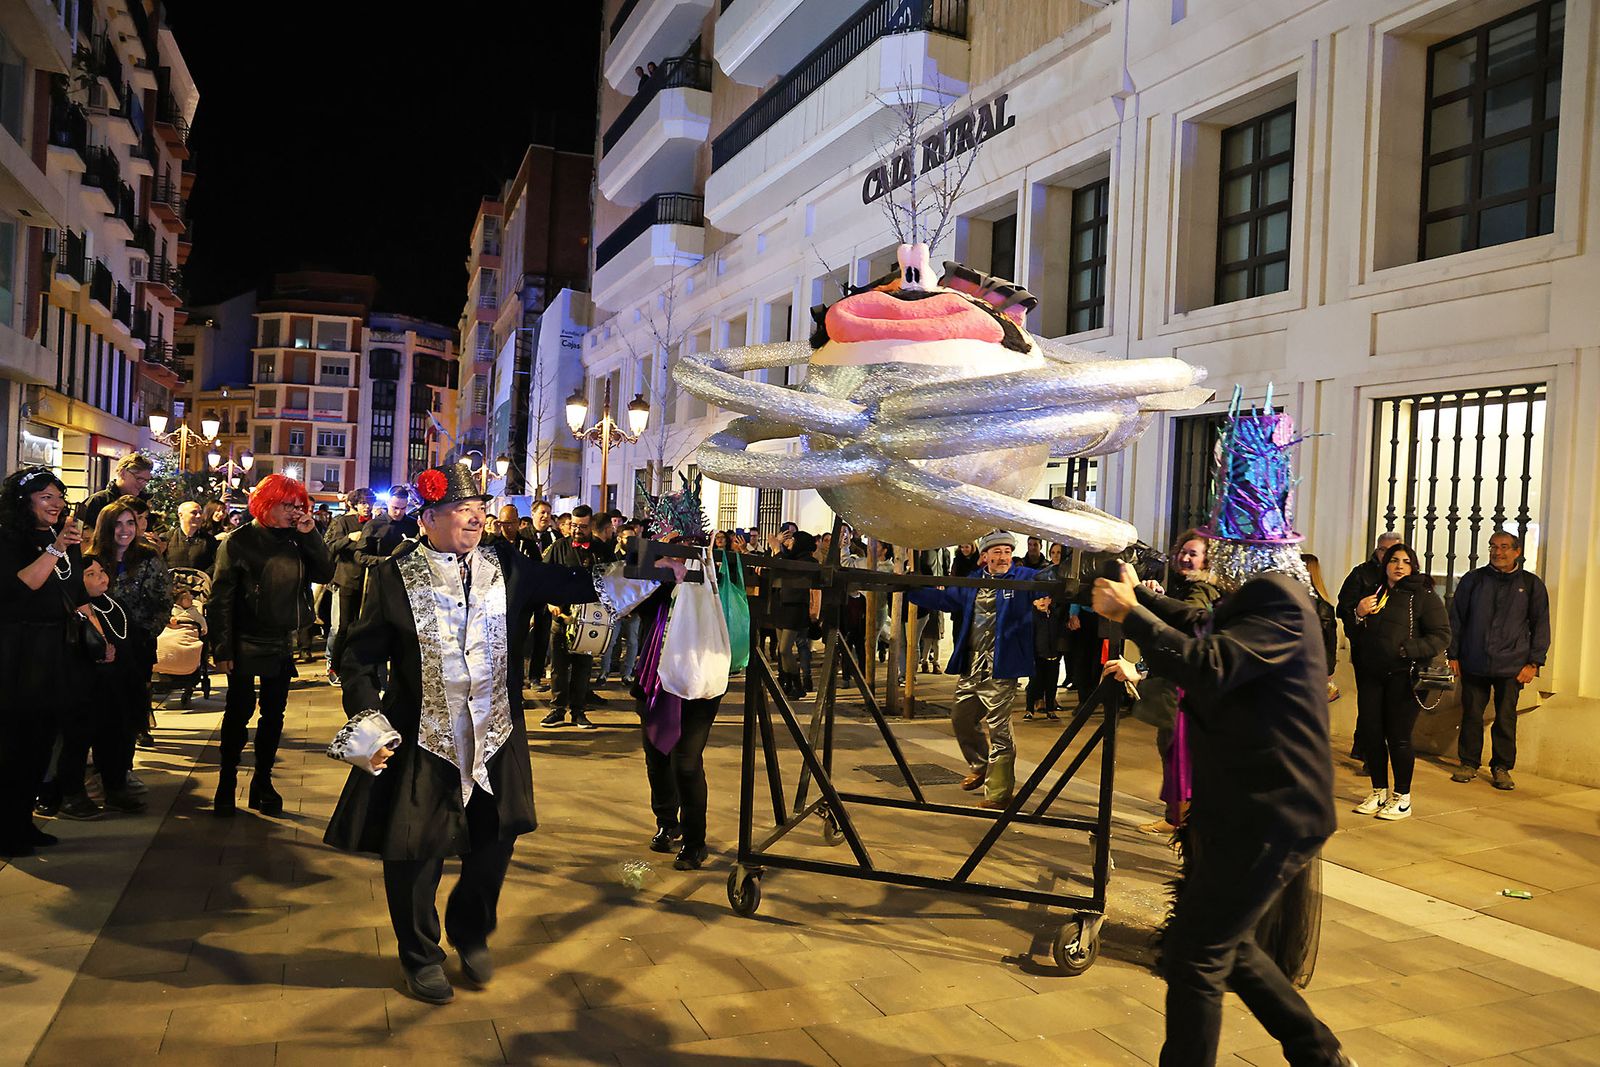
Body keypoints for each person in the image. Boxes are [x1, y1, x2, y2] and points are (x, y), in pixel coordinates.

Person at [1096, 396, 1348, 1067]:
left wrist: (1133, 616)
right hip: (1252, 806)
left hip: (1272, 811)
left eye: (1224, 545)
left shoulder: (1276, 599)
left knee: (1197, 954)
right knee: (1226, 946)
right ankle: (1320, 1054)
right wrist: (1143, 596)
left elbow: (1210, 665)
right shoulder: (1261, 595)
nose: (1217, 557)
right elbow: (1203, 622)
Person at [324, 462, 598, 1004]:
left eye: (479, 510)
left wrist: (656, 568)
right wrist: (368, 726)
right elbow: (356, 659)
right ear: (428, 519)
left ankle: (471, 931)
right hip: (422, 732)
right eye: (461, 511)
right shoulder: (392, 577)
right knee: (414, 851)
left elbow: (575, 583)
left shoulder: (508, 567)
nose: (475, 519)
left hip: (496, 731)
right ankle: (420, 954)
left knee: (496, 841)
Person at [208, 474, 335, 816]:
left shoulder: (299, 538)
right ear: (266, 504)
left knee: (273, 715)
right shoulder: (238, 541)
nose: (295, 511)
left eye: (299, 505)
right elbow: (221, 599)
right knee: (238, 712)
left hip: (280, 638)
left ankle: (263, 780)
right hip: (244, 637)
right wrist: (222, 649)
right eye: (287, 505)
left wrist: (311, 536)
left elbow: (325, 572)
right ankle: (227, 779)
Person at [908, 530, 1047, 809]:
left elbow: (1046, 581)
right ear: (985, 556)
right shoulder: (972, 581)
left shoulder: (1022, 578)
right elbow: (944, 600)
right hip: (973, 666)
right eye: (996, 552)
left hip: (1002, 668)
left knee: (999, 730)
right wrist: (907, 588)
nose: (1002, 557)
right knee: (960, 717)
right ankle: (981, 765)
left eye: (1007, 551)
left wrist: (1046, 597)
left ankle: (999, 793)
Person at [0, 468, 85, 856]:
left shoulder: (57, 537)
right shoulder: (9, 537)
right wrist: (57, 550)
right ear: (25, 501)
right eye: (46, 497)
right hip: (19, 649)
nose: (57, 504)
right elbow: (25, 585)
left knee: (42, 739)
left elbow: (72, 588)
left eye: (59, 496)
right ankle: (6, 829)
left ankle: (23, 822)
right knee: (16, 740)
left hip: (54, 646)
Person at [1348, 542, 1449, 821]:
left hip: (1405, 676)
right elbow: (1358, 633)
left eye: (1405, 561)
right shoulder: (1375, 593)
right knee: (1371, 733)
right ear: (1385, 565)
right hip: (1371, 675)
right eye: (1394, 560)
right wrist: (1358, 613)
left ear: (1413, 566)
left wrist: (1409, 649)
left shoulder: (1424, 597)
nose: (1399, 566)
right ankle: (1379, 790)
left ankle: (1402, 797)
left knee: (1398, 737)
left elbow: (1442, 635)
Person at [1129, 530, 1220, 836]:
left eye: (1193, 554)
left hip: (1186, 683)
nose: (1185, 557)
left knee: (1176, 748)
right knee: (1172, 746)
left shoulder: (1204, 589)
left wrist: (1152, 598)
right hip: (1179, 679)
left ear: (1206, 560)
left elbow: (1184, 621)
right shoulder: (1185, 584)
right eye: (1183, 551)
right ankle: (1180, 814)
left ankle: (1177, 817)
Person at [1448, 530, 1549, 791]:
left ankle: (1501, 767)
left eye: (1504, 547)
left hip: (1512, 666)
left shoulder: (1531, 584)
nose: (1497, 552)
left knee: (1506, 718)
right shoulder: (1473, 580)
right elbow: (1456, 619)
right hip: (1474, 661)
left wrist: (1534, 663)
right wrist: (1453, 654)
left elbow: (1541, 626)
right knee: (1471, 714)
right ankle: (1468, 762)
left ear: (1517, 552)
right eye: (1493, 546)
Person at [88, 496, 172, 772]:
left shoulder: (148, 556)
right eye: (118, 525)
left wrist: (145, 633)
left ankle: (122, 770)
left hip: (137, 644)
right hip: (100, 645)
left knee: (130, 709)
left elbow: (162, 600)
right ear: (105, 528)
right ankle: (100, 769)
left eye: (130, 523)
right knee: (101, 710)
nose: (125, 530)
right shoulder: (93, 559)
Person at [55, 556, 139, 819]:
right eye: (90, 574)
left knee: (114, 735)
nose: (100, 577)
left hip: (116, 682)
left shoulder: (116, 604)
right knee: (79, 739)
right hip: (86, 683)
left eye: (102, 571)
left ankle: (114, 788)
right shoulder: (76, 609)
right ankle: (72, 794)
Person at [541, 505, 606, 729]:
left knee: (583, 667)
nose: (578, 530)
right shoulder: (558, 547)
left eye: (583, 527)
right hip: (562, 617)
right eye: (574, 526)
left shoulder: (602, 549)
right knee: (558, 666)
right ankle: (557, 710)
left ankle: (578, 712)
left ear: (591, 527)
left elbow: (611, 580)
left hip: (590, 620)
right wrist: (550, 602)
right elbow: (543, 577)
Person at [324, 488, 377, 686]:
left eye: (369, 502)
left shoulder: (374, 522)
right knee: (341, 627)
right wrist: (349, 539)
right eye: (363, 503)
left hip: (366, 582)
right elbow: (329, 546)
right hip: (344, 579)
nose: (367, 506)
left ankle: (353, 665)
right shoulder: (342, 522)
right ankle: (334, 665)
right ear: (354, 504)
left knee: (359, 626)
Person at [770, 530, 820, 698]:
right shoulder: (789, 557)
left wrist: (778, 550)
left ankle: (797, 684)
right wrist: (776, 548)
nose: (789, 543)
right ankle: (788, 684)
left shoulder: (808, 561)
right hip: (781, 606)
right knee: (780, 649)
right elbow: (774, 567)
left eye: (792, 540)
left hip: (795, 608)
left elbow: (787, 570)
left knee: (785, 649)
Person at [1025, 543, 1068, 722]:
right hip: (1040, 644)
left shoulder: (1066, 575)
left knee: (1052, 679)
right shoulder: (1044, 574)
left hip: (1054, 643)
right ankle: (1031, 707)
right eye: (1053, 552)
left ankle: (1050, 706)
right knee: (1036, 678)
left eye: (1059, 552)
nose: (1056, 555)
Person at [523, 501, 559, 687]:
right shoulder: (523, 536)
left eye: (549, 513)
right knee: (522, 638)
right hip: (525, 595)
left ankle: (535, 676)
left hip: (544, 596)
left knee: (542, 637)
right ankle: (521, 676)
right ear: (533, 513)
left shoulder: (553, 538)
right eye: (542, 513)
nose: (546, 517)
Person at [77, 452, 154, 530]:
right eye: (139, 479)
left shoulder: (144, 503)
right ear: (122, 473)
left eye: (146, 481)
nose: (143, 484)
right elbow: (81, 532)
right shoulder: (98, 501)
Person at [1301, 554, 1341, 703]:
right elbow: (1330, 640)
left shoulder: (1318, 606)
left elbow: (1329, 640)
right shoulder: (1322, 605)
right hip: (1314, 665)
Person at [165, 500, 218, 575]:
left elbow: (216, 563)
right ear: (181, 515)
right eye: (194, 513)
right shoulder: (166, 538)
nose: (199, 516)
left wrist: (201, 578)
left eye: (200, 512)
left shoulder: (210, 540)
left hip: (200, 584)